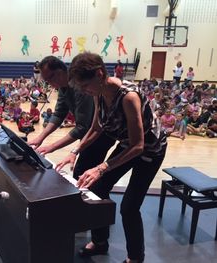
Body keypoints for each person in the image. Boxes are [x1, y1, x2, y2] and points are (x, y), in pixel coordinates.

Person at [56, 52, 167, 263]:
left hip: (150, 151)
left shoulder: (128, 97)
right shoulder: (98, 92)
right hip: (129, 144)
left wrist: (101, 167)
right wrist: (74, 152)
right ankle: (100, 242)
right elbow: (97, 128)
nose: (84, 91)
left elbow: (139, 145)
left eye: (85, 86)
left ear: (99, 74)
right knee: (97, 188)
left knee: (129, 207)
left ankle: (135, 257)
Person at [28, 56, 115, 180]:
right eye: (46, 81)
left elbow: (82, 127)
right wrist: (40, 138)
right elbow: (59, 113)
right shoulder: (63, 87)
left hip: (100, 136)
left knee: (83, 174)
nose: (50, 84)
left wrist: (51, 147)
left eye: (49, 78)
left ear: (60, 71)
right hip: (92, 132)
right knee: (83, 174)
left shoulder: (81, 86)